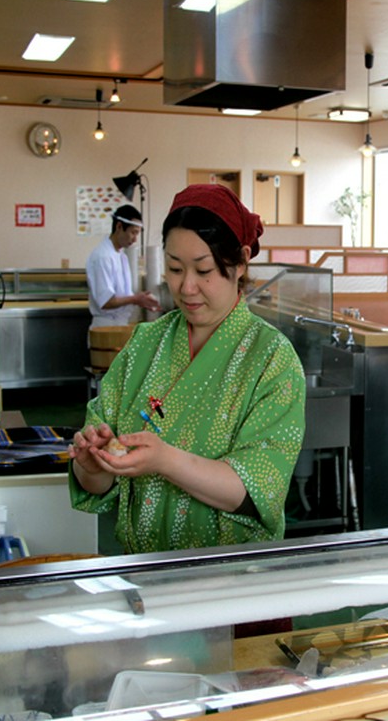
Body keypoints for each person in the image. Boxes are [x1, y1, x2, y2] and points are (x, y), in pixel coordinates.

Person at [69, 184, 307, 553]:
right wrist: (94, 465)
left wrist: (165, 461)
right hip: (145, 576)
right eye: (175, 269)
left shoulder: (271, 359)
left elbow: (252, 491)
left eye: (204, 269)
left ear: (241, 261)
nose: (187, 287)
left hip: (234, 582)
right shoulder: (145, 344)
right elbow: (97, 485)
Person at [86, 204, 159, 328]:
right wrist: (135, 299)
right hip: (106, 326)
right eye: (133, 233)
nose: (135, 239)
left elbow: (122, 295)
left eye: (137, 234)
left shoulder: (121, 256)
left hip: (120, 323)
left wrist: (142, 300)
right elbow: (106, 302)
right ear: (119, 226)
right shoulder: (103, 256)